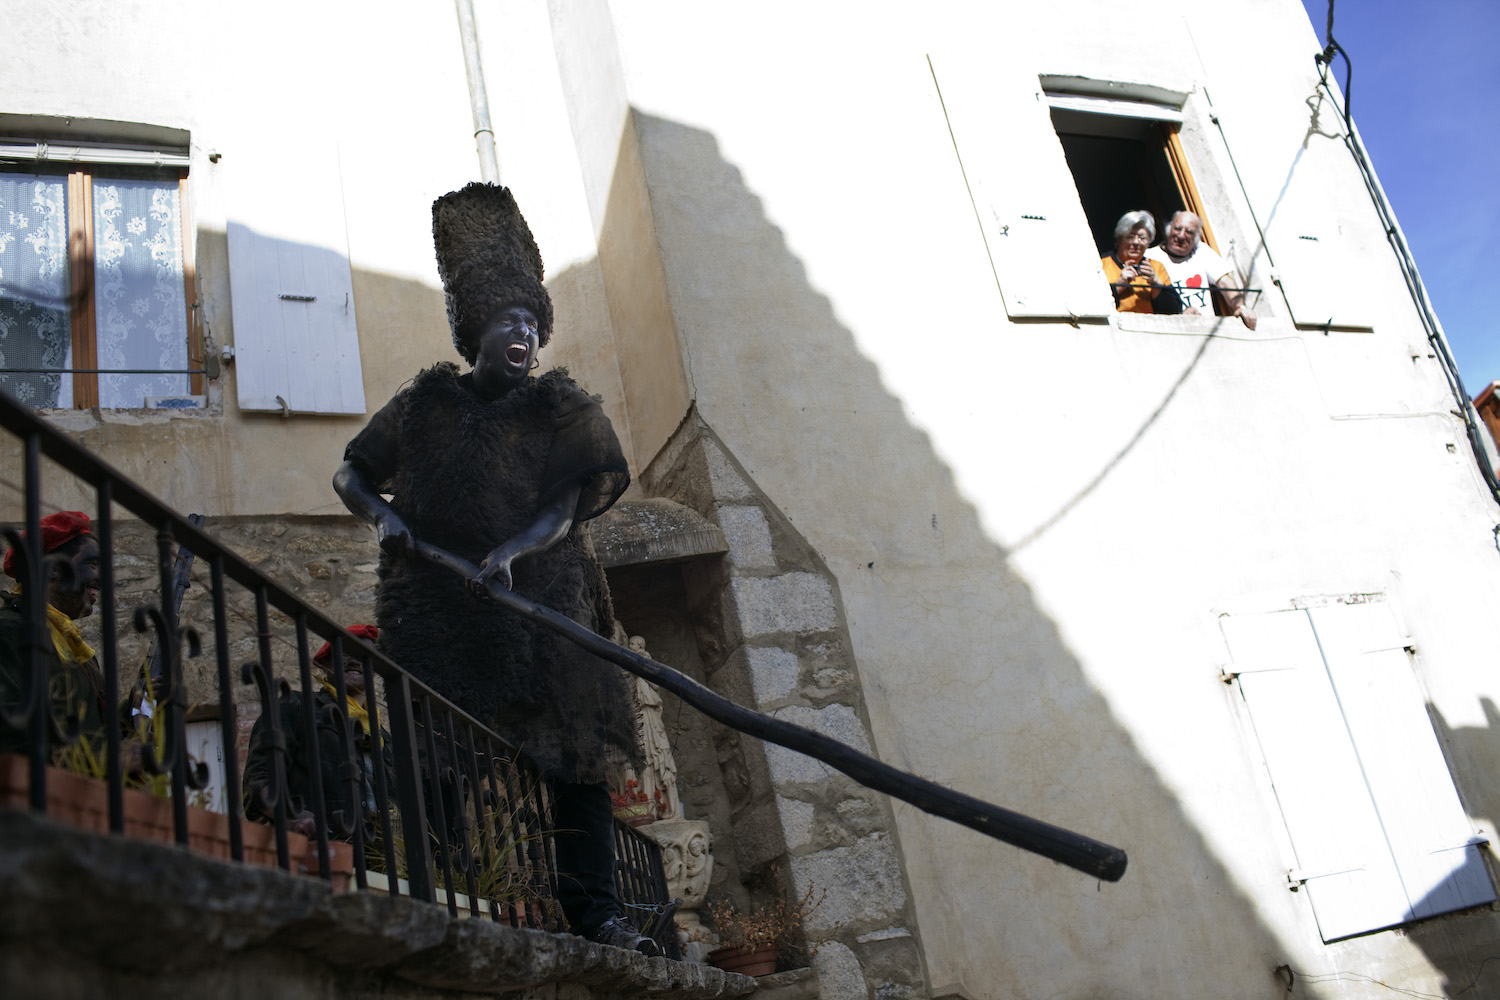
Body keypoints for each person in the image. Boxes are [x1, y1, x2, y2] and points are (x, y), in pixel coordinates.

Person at [332, 182, 659, 956]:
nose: (524, 333)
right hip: (440, 608)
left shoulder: (561, 406)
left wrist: (512, 551)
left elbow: (565, 508)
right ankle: (442, 897)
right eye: (509, 320)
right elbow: (351, 473)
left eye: (532, 322)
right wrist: (385, 519)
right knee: (439, 756)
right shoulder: (425, 405)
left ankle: (596, 916)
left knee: (577, 769)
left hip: (545, 605)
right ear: (476, 330)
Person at [0, 511, 132, 762]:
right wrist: (109, 762)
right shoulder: (9, 632)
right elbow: (14, 738)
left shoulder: (81, 653)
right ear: (54, 569)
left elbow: (96, 734)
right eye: (93, 565)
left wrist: (133, 707)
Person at [243, 624, 386, 842]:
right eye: (346, 651)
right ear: (326, 664)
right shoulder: (296, 707)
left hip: (379, 865)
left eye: (365, 655)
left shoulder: (383, 736)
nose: (356, 660)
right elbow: (258, 781)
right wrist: (292, 816)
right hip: (316, 853)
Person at [1146, 210, 1257, 329]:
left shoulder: (1201, 251)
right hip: (1171, 329)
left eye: (1189, 232)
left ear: (1196, 238)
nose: (1181, 236)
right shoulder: (1150, 257)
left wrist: (1240, 307)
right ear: (1168, 229)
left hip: (1206, 328)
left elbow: (1225, 281)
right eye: (1177, 228)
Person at [1101, 211, 1182, 315]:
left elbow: (1173, 311)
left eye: (1142, 238)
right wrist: (1119, 285)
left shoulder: (1156, 267)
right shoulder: (1103, 264)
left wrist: (1156, 282)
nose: (1136, 242)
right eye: (1130, 237)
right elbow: (1094, 303)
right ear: (1120, 238)